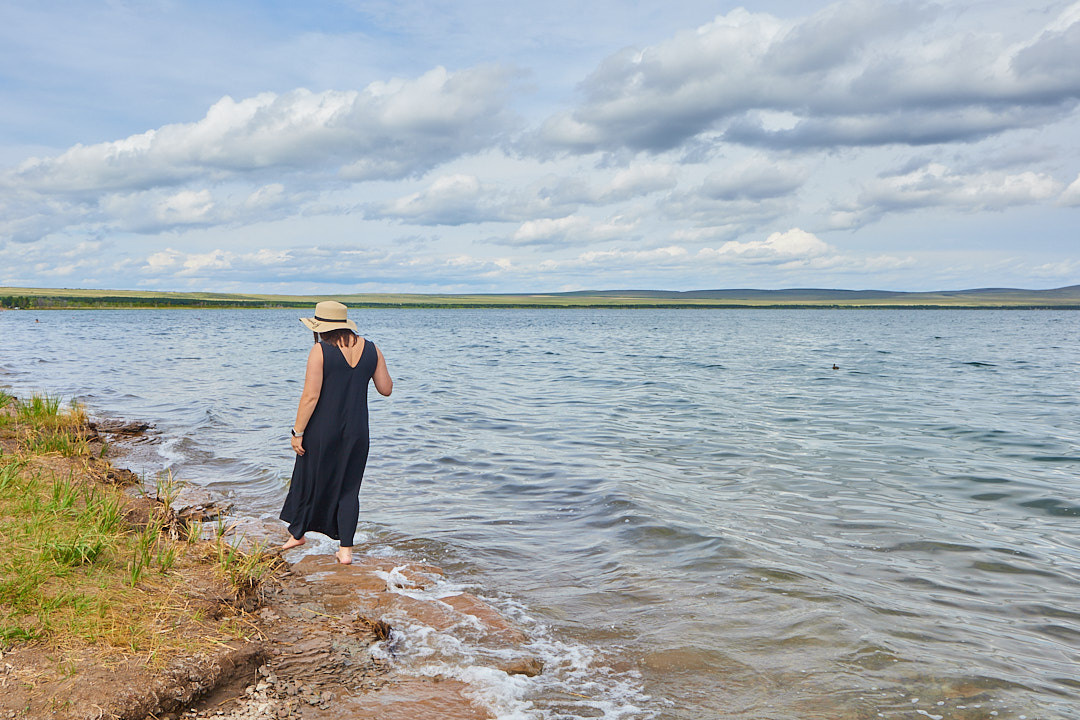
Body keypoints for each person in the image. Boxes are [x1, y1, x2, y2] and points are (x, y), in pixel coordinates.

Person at [279, 301, 392, 564]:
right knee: (350, 488)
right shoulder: (373, 349)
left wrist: (297, 431)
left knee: (308, 478)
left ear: (320, 327)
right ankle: (345, 551)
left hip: (322, 430)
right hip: (358, 431)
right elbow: (386, 389)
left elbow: (310, 396)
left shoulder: (319, 351)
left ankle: (298, 533)